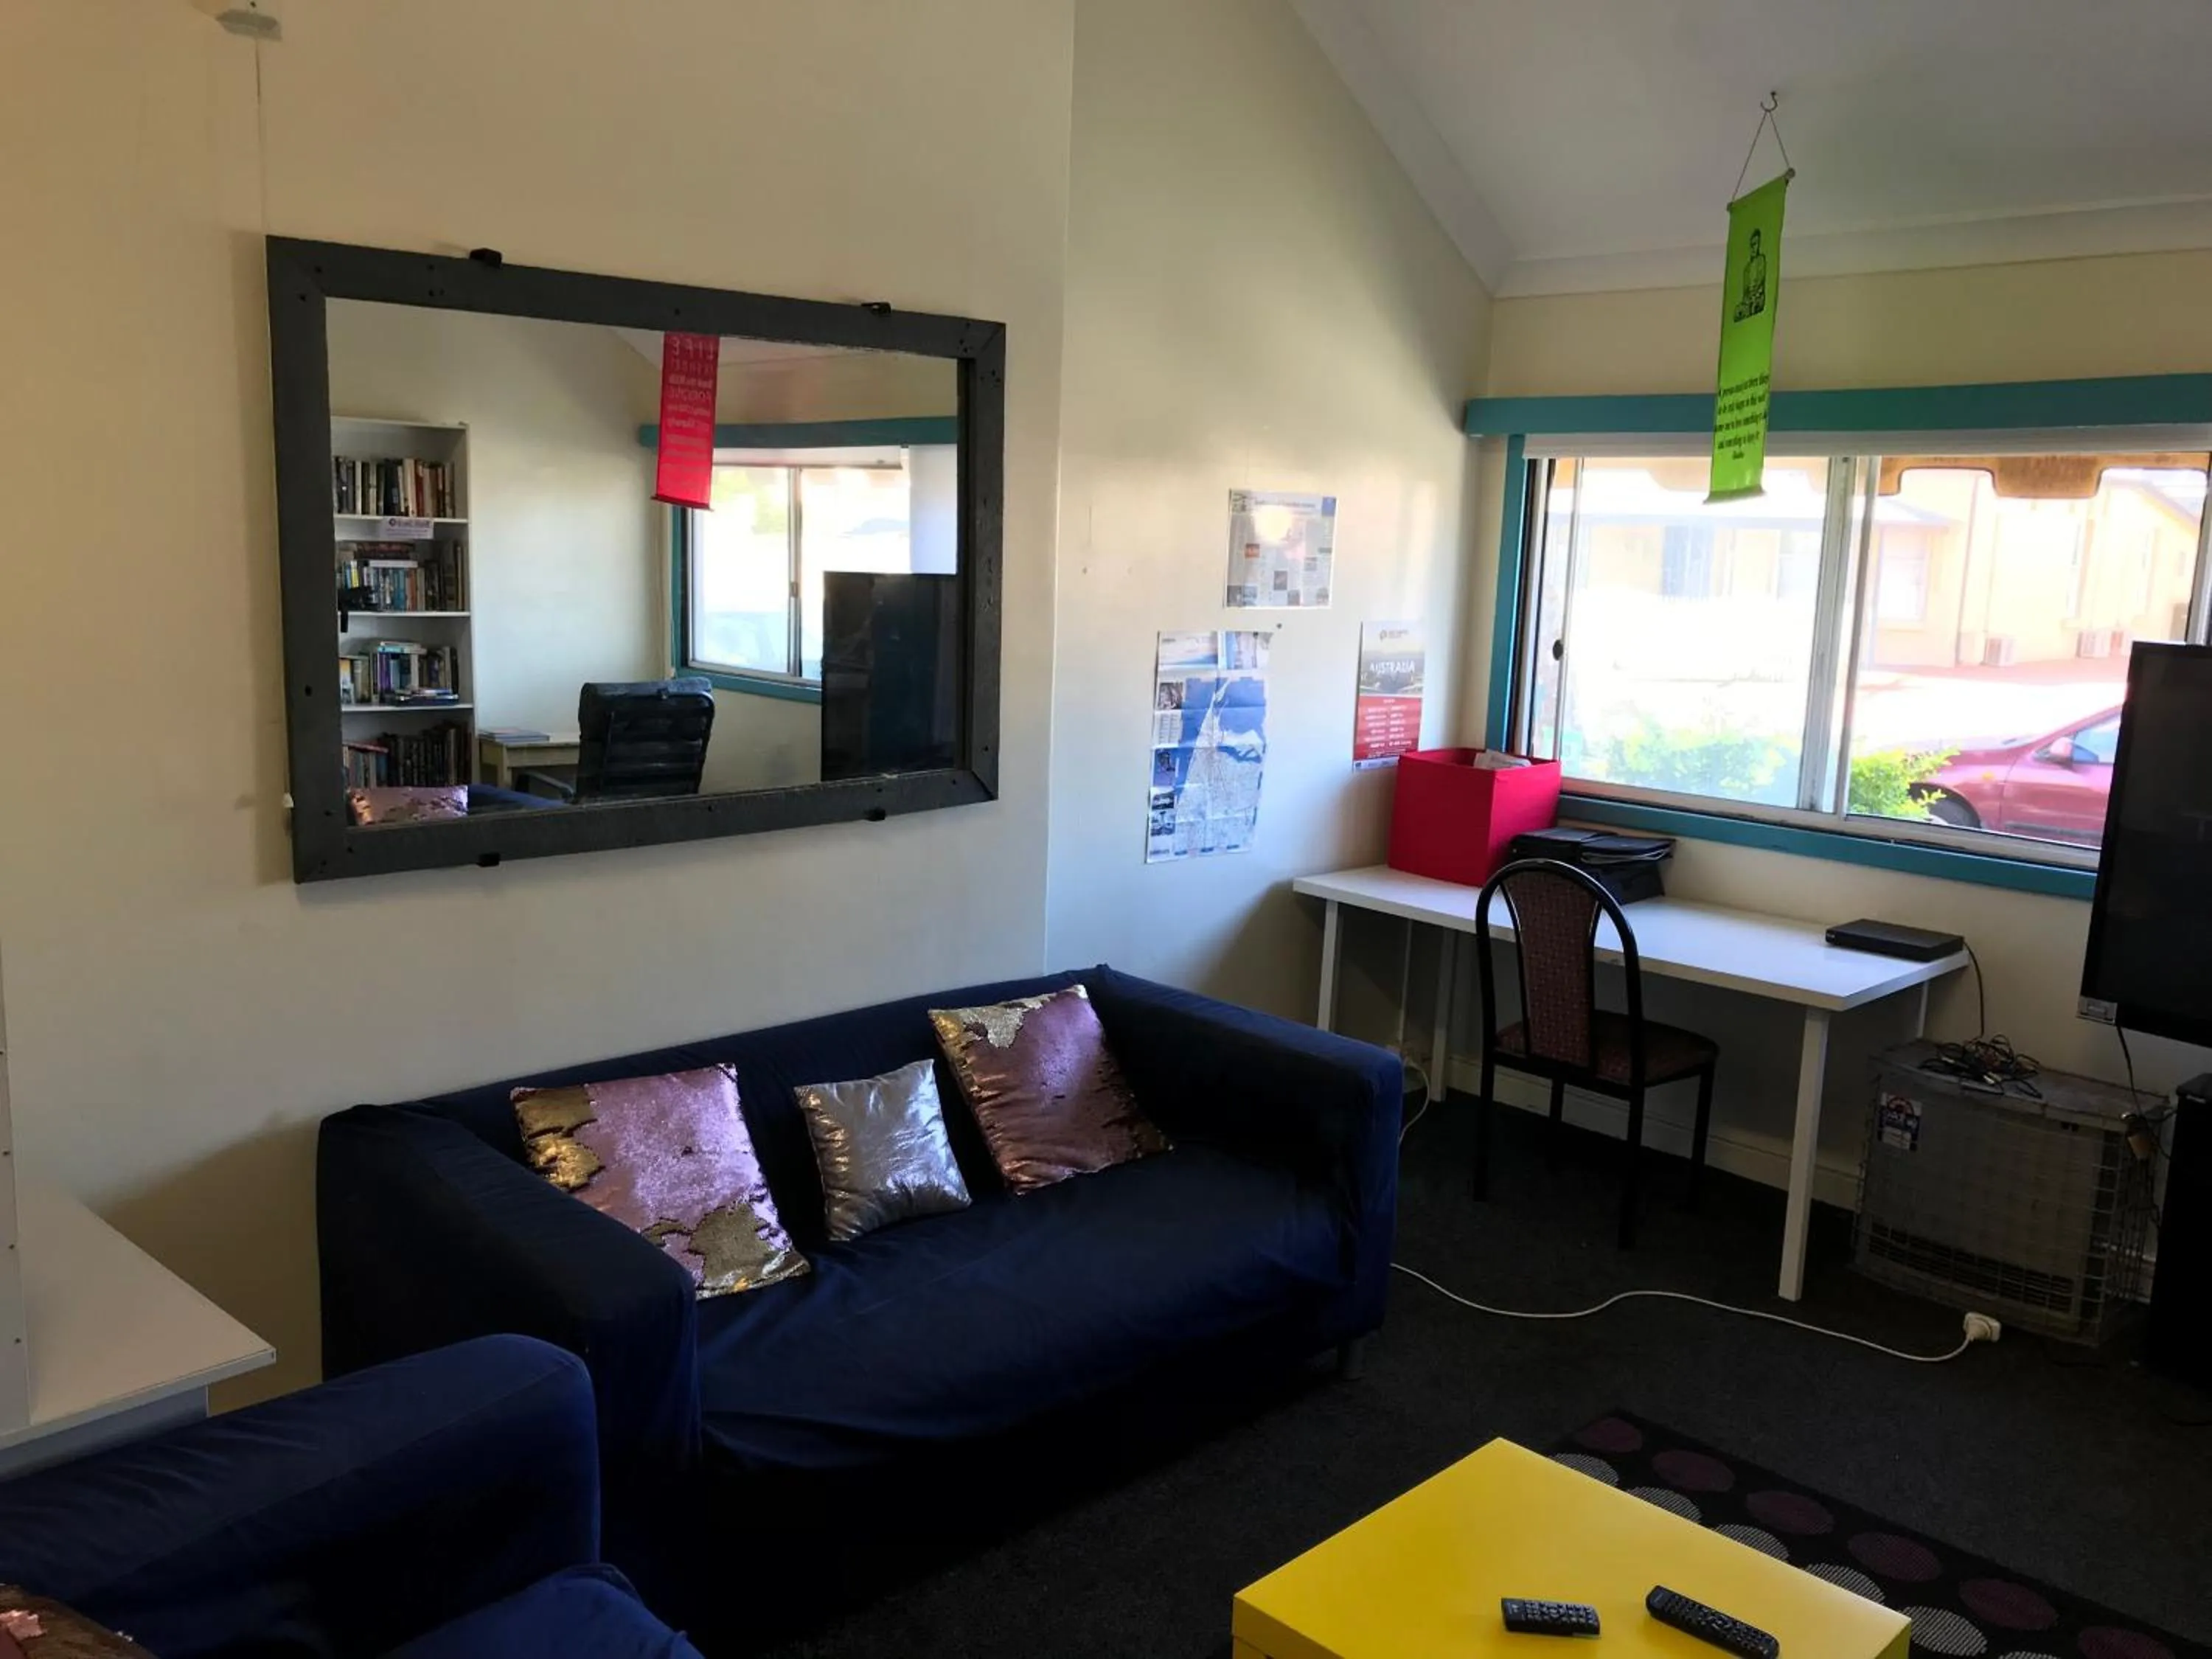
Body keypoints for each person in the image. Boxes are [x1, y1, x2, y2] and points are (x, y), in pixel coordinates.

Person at [1733, 228, 1768, 322]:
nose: (1753, 248)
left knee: (1757, 305)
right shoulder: (1747, 269)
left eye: (1755, 244)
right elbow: (1745, 291)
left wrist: (1756, 295)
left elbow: (1761, 281)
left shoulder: (1761, 260)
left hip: (1758, 297)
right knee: (1738, 312)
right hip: (1748, 301)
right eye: (1752, 245)